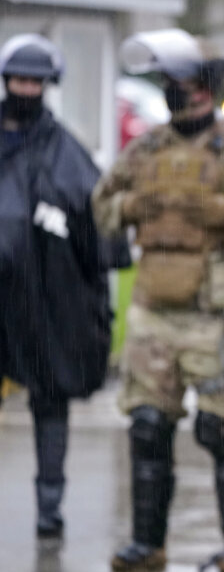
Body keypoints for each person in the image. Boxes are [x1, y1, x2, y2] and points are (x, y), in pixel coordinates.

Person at [92, 29, 224, 572]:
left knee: (220, 430)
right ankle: (148, 544)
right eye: (168, 83)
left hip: (218, 312)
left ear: (205, 90)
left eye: (183, 84)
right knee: (146, 425)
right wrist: (137, 204)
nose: (175, 93)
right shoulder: (147, 149)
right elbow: (101, 205)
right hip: (154, 309)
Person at [0, 34, 116, 539]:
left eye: (34, 82)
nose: (25, 89)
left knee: (51, 403)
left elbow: (98, 242)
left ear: (47, 87)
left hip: (46, 303)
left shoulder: (67, 154)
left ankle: (50, 506)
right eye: (18, 81)